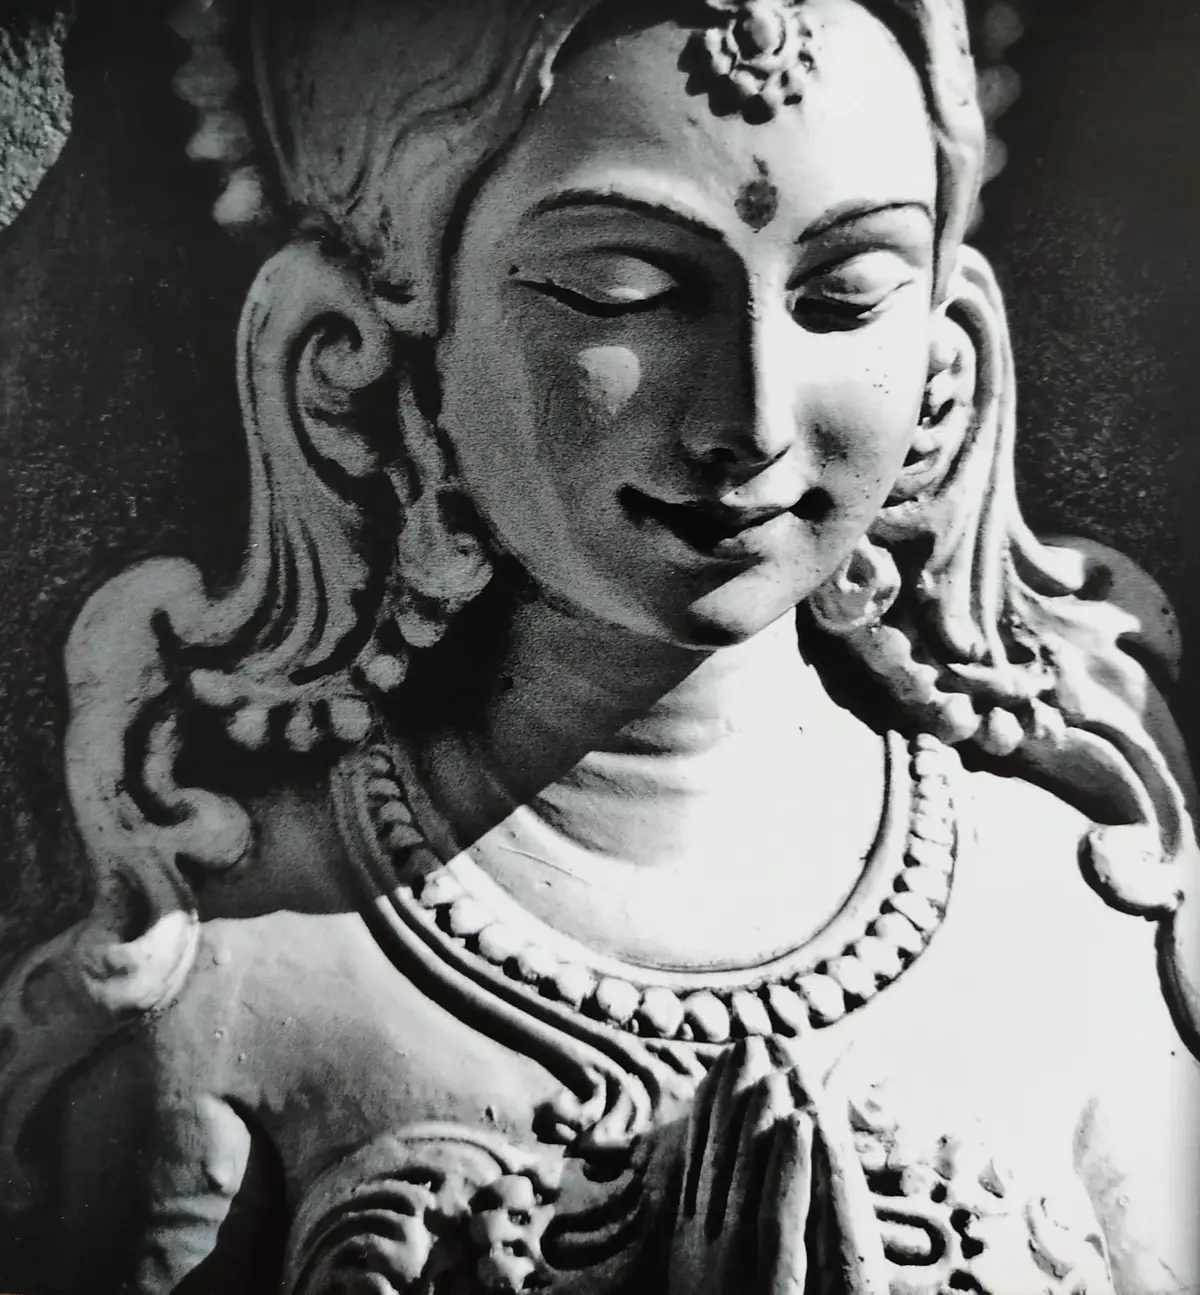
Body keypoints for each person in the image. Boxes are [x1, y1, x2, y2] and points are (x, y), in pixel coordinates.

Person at [0, 0, 1197, 1290]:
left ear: (948, 353)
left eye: (845, 296)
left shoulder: (1071, 935)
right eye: (621, 288)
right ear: (359, 357)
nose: (752, 419)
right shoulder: (237, 984)